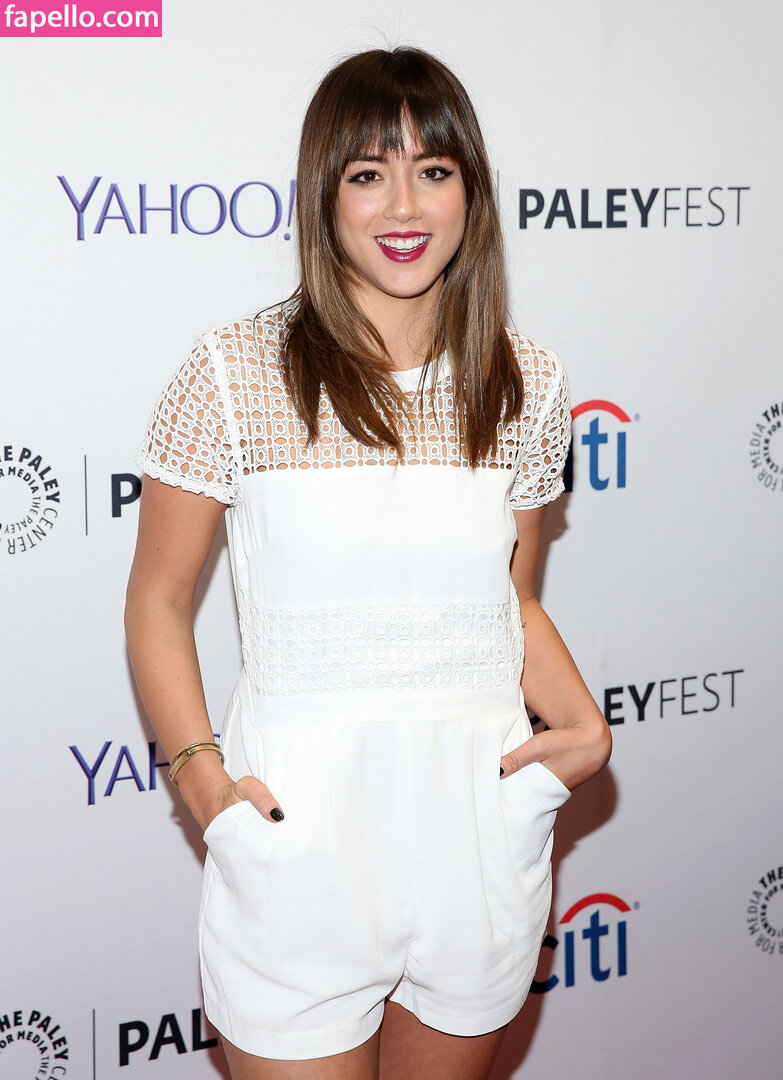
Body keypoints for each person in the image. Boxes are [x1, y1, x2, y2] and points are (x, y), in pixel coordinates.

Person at [125, 46, 611, 1080]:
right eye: (367, 172)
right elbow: (158, 602)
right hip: (297, 851)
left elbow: (511, 601)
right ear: (325, 194)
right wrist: (204, 786)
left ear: (470, 193)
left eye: (433, 170)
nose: (404, 204)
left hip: (477, 846)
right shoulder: (232, 375)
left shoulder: (526, 382)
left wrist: (583, 731)